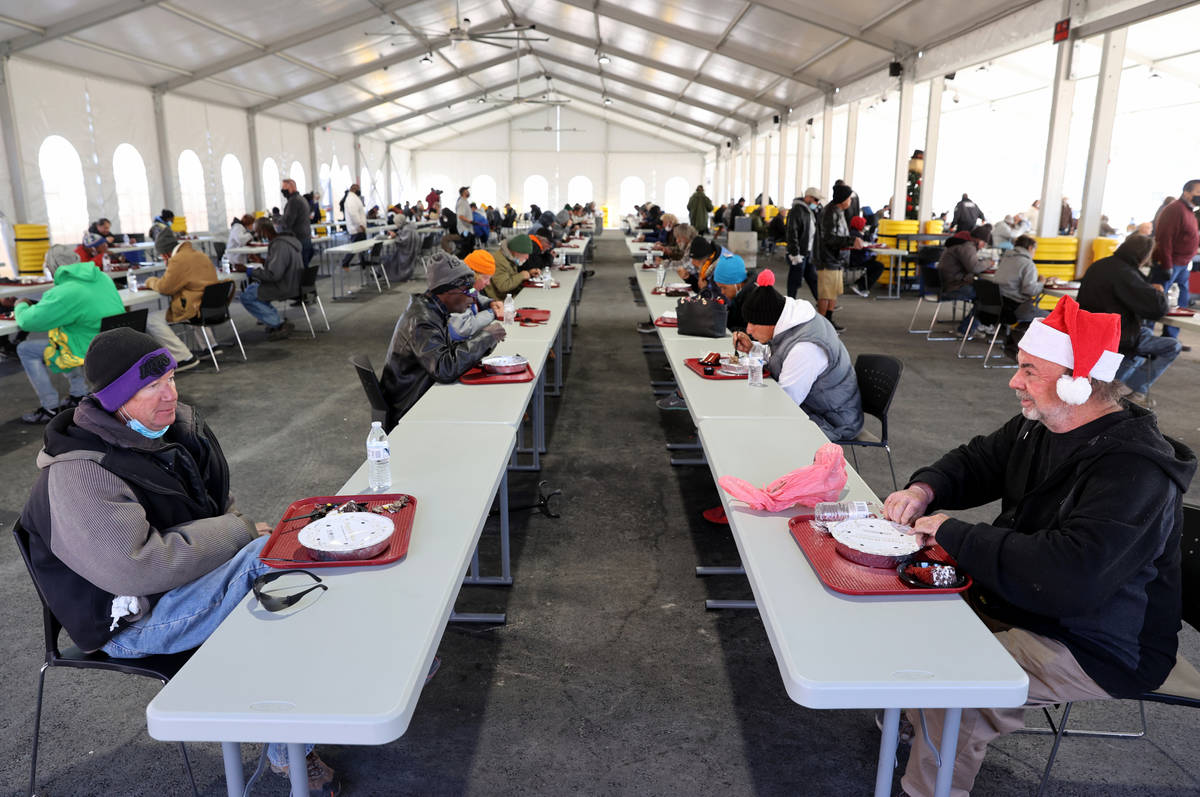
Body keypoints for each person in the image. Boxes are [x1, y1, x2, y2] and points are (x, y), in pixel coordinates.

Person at [883, 296, 1195, 797]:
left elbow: (1067, 576)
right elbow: (977, 462)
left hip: (1097, 642)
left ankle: (927, 782)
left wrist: (952, 532)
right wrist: (925, 489)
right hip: (1029, 601)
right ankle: (905, 724)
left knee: (957, 686)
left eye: (1029, 370)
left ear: (1079, 380)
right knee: (910, 609)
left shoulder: (1134, 470)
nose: (1014, 381)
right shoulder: (1043, 423)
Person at [19, 328, 342, 795]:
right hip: (131, 619)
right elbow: (138, 568)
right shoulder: (80, 470)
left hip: (184, 583)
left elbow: (220, 501)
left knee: (285, 560)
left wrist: (237, 533)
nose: (168, 395)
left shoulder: (178, 430)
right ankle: (297, 745)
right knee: (273, 565)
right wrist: (241, 534)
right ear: (115, 399)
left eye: (170, 378)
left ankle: (292, 743)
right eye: (150, 387)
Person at [733, 270, 864, 441]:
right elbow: (781, 356)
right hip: (818, 407)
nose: (749, 330)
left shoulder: (805, 348)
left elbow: (786, 404)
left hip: (833, 421)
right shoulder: (792, 323)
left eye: (754, 323)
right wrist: (753, 349)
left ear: (773, 322)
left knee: (751, 429)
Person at [381, 256, 507, 421]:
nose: (472, 298)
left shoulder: (433, 310)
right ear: (447, 292)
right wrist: (486, 338)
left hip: (421, 391)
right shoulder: (421, 321)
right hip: (409, 406)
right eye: (468, 291)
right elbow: (444, 368)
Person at [11, 261, 125, 424]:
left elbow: (28, 322)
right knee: (65, 336)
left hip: (85, 347)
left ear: (53, 269)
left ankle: (50, 407)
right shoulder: (102, 277)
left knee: (26, 349)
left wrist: (20, 304)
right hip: (111, 340)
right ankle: (78, 394)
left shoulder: (64, 291)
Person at [1078, 234, 1181, 407]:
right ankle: (1132, 390)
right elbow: (1157, 308)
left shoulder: (1100, 265)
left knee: (1146, 333)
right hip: (1117, 336)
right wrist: (1157, 292)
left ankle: (1123, 384)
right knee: (1172, 346)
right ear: (1144, 255)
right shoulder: (1126, 274)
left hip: (1089, 331)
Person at [143, 240, 220, 366]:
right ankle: (210, 346)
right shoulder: (201, 255)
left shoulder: (178, 260)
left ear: (166, 254)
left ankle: (183, 357)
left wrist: (150, 281)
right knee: (193, 303)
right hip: (209, 306)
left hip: (193, 309)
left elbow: (164, 288)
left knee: (151, 319)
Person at [1152, 179, 1199, 345]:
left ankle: (1170, 340)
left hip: (1183, 264)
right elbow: (1165, 239)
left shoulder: (1189, 211)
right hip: (1170, 263)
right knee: (1155, 301)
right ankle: (1145, 337)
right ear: (1187, 192)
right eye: (1198, 193)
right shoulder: (1175, 210)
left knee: (1180, 303)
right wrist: (1166, 265)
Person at [239, 219, 300, 340]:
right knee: (251, 289)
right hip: (293, 282)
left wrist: (248, 270)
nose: (256, 236)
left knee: (246, 296)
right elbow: (280, 265)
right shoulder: (288, 241)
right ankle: (274, 320)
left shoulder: (279, 245)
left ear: (263, 231)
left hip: (284, 286)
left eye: (257, 232)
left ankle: (279, 324)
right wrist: (262, 261)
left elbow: (273, 275)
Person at [816, 183, 864, 331]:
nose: (850, 201)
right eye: (849, 198)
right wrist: (851, 241)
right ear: (843, 199)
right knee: (825, 294)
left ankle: (828, 321)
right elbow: (829, 238)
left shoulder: (838, 211)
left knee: (833, 293)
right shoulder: (830, 212)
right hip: (827, 259)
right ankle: (821, 326)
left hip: (835, 259)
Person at [937, 225, 993, 334]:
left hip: (945, 283)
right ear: (978, 239)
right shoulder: (967, 246)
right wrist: (988, 263)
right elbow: (974, 268)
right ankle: (967, 329)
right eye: (983, 243)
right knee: (988, 296)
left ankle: (977, 323)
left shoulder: (959, 243)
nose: (983, 246)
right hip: (953, 286)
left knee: (985, 289)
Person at [450, 250, 504, 340]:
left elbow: (475, 295)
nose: (488, 283)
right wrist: (492, 313)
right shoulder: (454, 292)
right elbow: (463, 328)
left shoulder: (466, 286)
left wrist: (489, 303)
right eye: (486, 278)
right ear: (474, 276)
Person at [993, 234, 1044, 323]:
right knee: (1050, 317)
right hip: (1014, 308)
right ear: (1030, 248)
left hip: (995, 305)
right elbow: (1029, 290)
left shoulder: (1005, 258)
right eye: (1034, 250)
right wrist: (1041, 283)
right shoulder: (1028, 264)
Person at [786, 187, 822, 301]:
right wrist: (795, 252)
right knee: (795, 281)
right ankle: (790, 304)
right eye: (815, 200)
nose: (817, 203)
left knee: (812, 278)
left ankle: (821, 302)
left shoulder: (808, 211)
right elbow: (792, 232)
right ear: (808, 197)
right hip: (800, 252)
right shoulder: (797, 210)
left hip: (808, 251)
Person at [481, 233, 539, 301]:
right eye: (525, 253)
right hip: (499, 301)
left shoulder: (510, 258)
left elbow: (511, 279)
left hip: (507, 298)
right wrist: (521, 276)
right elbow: (503, 286)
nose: (527, 257)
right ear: (516, 251)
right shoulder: (499, 261)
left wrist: (529, 274)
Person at [847, 216, 884, 298]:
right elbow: (863, 246)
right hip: (857, 260)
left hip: (852, 259)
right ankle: (861, 286)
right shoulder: (856, 235)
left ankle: (859, 283)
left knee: (874, 264)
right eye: (863, 224)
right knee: (879, 266)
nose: (864, 226)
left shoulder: (852, 232)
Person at [280, 178, 313, 267]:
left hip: (298, 240)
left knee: (299, 269)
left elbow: (287, 222)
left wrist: (277, 220)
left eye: (284, 188)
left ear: (291, 188)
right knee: (304, 267)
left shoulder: (293, 201)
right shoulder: (302, 199)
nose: (282, 190)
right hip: (305, 237)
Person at [339, 183, 367, 270]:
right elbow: (353, 214)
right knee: (354, 248)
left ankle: (363, 263)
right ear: (354, 189)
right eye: (358, 188)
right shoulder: (351, 199)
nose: (359, 190)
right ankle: (345, 263)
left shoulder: (354, 198)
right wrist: (360, 225)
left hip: (359, 228)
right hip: (356, 228)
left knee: (362, 247)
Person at [453, 186, 475, 257]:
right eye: (467, 191)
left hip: (468, 228)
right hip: (464, 229)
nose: (468, 192)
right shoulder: (461, 202)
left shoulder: (465, 201)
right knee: (465, 247)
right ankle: (461, 262)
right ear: (463, 193)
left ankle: (469, 262)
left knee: (470, 246)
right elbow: (460, 216)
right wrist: (470, 221)